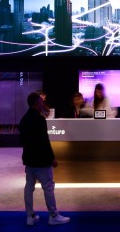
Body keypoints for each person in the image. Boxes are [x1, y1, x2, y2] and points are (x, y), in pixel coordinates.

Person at [19, 92, 70, 226]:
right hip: (41, 160)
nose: (43, 104)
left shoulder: (23, 119)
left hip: (29, 160)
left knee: (29, 187)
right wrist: (52, 158)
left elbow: (23, 141)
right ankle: (53, 215)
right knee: (48, 187)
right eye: (41, 102)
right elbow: (44, 142)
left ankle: (30, 216)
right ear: (37, 103)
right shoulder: (40, 119)